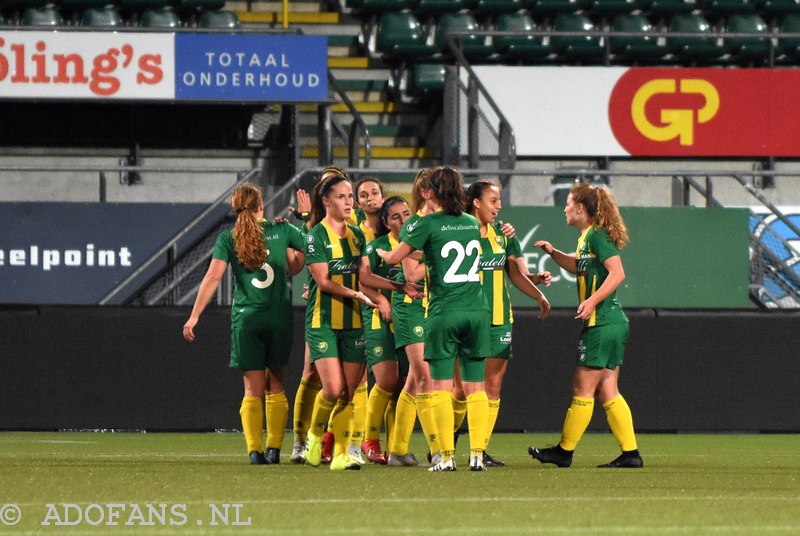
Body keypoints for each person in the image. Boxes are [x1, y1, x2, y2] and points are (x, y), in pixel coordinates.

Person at [182, 183, 306, 465]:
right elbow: (299, 262)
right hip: (277, 317)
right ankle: (274, 449)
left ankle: (254, 451)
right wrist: (304, 220)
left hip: (246, 319)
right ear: (261, 205)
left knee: (252, 390)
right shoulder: (282, 229)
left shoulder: (229, 238)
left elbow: (213, 278)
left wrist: (195, 315)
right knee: (276, 387)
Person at [378, 167, 491, 472]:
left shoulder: (426, 224)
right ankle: (478, 455)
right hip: (478, 311)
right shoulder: (471, 223)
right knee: (475, 386)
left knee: (440, 385)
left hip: (444, 312)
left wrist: (377, 249)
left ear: (430, 193)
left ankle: (447, 456)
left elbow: (393, 258)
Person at [528, 183, 644, 469]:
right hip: (612, 322)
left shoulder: (597, 237)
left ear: (580, 208)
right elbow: (579, 265)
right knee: (608, 389)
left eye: (568, 203)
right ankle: (630, 454)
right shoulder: (587, 238)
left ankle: (564, 451)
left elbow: (618, 273)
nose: (565, 208)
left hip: (602, 322)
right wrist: (554, 253)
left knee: (582, 387)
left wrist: (591, 301)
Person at [459, 179, 552, 467]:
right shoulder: (459, 231)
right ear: (476, 202)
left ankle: (480, 449)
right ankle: (444, 442)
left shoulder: (504, 234)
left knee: (493, 386)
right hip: (468, 317)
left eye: (499, 201)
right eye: (493, 200)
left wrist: (537, 290)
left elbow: (516, 274)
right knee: (461, 388)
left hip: (499, 319)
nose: (499, 207)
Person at [302, 173, 377, 471]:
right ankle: (314, 435)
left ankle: (342, 454)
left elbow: (366, 275)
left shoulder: (357, 235)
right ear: (326, 201)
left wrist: (390, 289)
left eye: (350, 197)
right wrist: (357, 294)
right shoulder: (315, 237)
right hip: (323, 321)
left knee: (348, 392)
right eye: (342, 197)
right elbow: (323, 282)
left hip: (355, 322)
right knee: (332, 389)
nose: (349, 202)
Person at [288, 166, 348, 464]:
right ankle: (301, 441)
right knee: (313, 375)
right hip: (322, 310)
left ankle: (340, 444)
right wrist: (298, 223)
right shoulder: (312, 225)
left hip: (351, 312)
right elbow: (297, 265)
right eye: (325, 186)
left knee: (352, 385)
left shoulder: (354, 223)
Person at [358, 196, 414, 464]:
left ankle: (395, 447)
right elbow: (364, 279)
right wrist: (381, 300)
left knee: (403, 383)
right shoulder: (377, 247)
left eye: (406, 214)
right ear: (386, 222)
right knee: (387, 380)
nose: (403, 220)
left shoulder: (418, 244)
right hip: (380, 320)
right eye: (396, 217)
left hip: (409, 319)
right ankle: (369, 440)